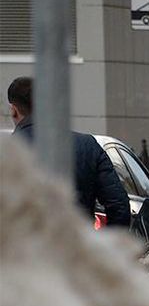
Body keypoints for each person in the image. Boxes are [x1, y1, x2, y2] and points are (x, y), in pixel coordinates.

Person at [8, 76, 130, 229]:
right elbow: (119, 205)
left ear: (13, 110)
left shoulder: (7, 153)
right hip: (76, 247)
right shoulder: (88, 146)